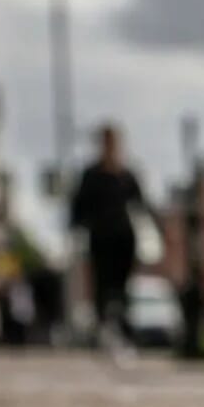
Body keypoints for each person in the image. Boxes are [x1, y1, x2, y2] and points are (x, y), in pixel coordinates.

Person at [68, 125, 148, 347]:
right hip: (100, 238)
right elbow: (78, 207)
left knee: (123, 286)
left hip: (124, 237)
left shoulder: (127, 174)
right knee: (101, 284)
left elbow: (142, 205)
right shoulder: (91, 175)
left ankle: (123, 329)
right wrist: (77, 229)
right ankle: (103, 328)